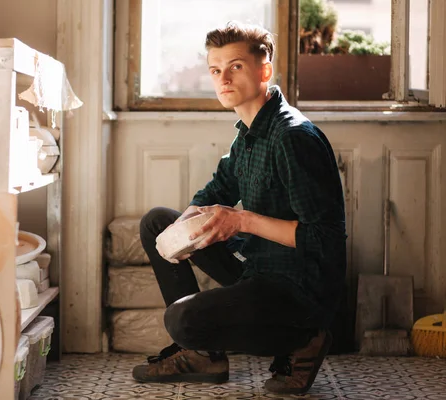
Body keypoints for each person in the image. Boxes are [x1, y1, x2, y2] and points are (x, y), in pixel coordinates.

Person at [132, 21, 347, 396]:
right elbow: (216, 190)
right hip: (260, 270)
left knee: (181, 318)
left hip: (299, 290)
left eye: (235, 67)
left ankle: (302, 340)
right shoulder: (248, 133)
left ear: (264, 70)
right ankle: (202, 356)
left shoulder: (293, 138)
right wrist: (181, 233)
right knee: (158, 224)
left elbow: (325, 239)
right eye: (216, 70)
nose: (223, 79)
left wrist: (242, 220)